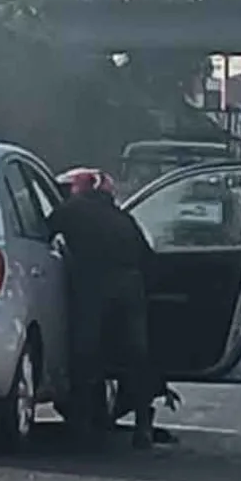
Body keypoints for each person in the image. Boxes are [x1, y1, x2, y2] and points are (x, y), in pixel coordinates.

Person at [47, 169, 164, 451]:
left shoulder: (71, 210)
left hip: (94, 285)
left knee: (86, 353)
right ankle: (142, 424)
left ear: (78, 188)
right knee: (135, 356)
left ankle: (82, 422)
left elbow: (42, 232)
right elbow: (148, 260)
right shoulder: (124, 218)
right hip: (130, 287)